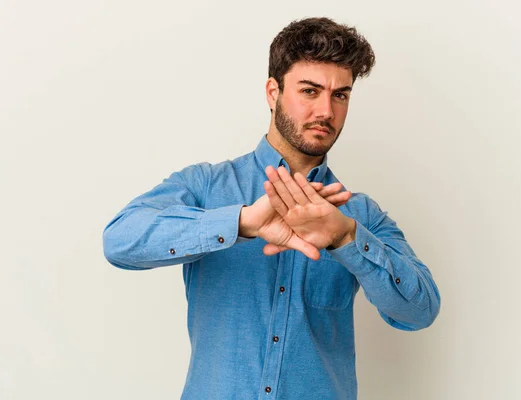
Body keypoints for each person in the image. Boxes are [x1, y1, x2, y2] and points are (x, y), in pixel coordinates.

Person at [103, 17, 441, 400]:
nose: (326, 111)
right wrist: (242, 222)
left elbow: (420, 311)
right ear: (272, 92)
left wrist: (346, 239)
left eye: (340, 95)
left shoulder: (357, 214)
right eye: (310, 91)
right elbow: (119, 241)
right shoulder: (206, 185)